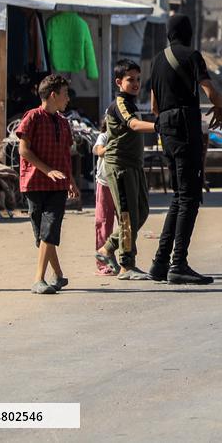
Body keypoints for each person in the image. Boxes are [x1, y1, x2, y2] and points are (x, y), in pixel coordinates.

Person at [148, 15, 222, 285]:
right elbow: (209, 89)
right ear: (189, 32)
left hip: (166, 127)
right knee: (190, 197)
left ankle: (160, 263)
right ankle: (178, 263)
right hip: (184, 126)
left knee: (179, 196)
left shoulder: (158, 60)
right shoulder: (192, 55)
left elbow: (153, 107)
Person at [17, 74, 80, 295]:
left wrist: (71, 181)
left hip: (58, 187)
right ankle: (59, 275)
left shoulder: (64, 123)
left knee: (50, 230)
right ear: (53, 95)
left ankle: (38, 280)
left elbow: (65, 156)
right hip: (34, 184)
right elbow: (23, 150)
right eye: (65, 94)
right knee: (42, 235)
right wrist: (47, 170)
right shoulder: (32, 117)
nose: (68, 99)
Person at [95, 59, 156, 280]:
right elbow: (133, 125)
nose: (136, 83)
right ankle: (126, 265)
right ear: (119, 82)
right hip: (120, 166)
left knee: (142, 211)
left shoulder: (132, 103)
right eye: (130, 79)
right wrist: (160, 126)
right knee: (128, 217)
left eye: (138, 79)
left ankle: (106, 248)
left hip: (134, 166)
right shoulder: (120, 104)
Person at [92, 122, 117, 276]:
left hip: (120, 183)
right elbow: (99, 150)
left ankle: (125, 260)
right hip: (105, 184)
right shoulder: (105, 136)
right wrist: (113, 146)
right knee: (103, 223)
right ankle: (103, 263)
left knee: (124, 222)